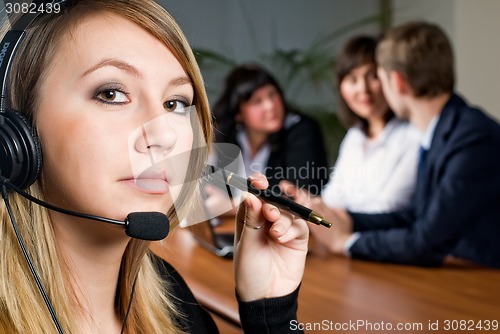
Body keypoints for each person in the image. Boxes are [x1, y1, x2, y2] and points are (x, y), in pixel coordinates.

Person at [0, 1, 308, 333]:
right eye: (111, 94)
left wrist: (270, 312)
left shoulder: (178, 303)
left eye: (175, 104)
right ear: (15, 133)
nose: (163, 135)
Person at [282, 21, 500, 268]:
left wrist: (345, 242)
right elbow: (415, 217)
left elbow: (426, 240)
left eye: (378, 77)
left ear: (396, 82)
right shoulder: (443, 130)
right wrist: (347, 220)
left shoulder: (472, 138)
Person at [321, 35, 421, 213]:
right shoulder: (354, 136)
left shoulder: (413, 134)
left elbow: (390, 206)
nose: (363, 89)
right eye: (352, 80)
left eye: (373, 76)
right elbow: (333, 198)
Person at [212, 63, 329, 196]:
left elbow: (300, 194)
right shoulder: (228, 138)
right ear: (238, 113)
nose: (270, 105)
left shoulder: (302, 130)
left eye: (272, 94)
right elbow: (211, 191)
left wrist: (229, 206)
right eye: (257, 101)